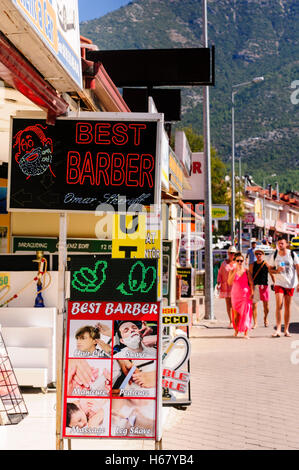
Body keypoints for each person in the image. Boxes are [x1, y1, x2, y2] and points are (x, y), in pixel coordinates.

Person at [268, 237, 299, 337]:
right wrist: (277, 271)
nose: (280, 245)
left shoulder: (292, 255)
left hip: (290, 283)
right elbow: (270, 269)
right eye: (279, 244)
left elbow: (298, 269)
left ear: (286, 244)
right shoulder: (275, 255)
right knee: (279, 305)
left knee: (287, 307)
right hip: (279, 283)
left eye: (282, 243)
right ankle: (278, 329)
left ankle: (286, 329)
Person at [228, 252, 254, 339]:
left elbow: (251, 283)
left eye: (241, 261)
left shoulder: (246, 271)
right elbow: (229, 282)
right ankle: (236, 330)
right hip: (235, 295)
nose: (240, 262)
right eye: (238, 260)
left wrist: (252, 293)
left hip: (245, 295)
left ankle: (246, 332)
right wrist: (235, 271)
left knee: (245, 313)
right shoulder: (232, 271)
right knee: (236, 315)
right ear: (235, 261)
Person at [249, 248, 275, 328]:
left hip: (264, 286)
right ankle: (255, 322)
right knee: (254, 305)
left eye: (260, 254)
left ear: (263, 255)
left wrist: (274, 283)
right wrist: (250, 286)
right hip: (255, 286)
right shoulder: (252, 265)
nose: (258, 255)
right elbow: (250, 276)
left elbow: (271, 274)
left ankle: (265, 318)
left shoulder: (266, 264)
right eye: (257, 254)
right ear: (255, 255)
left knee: (266, 306)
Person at [217, 245, 237, 328]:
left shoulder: (237, 263)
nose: (232, 255)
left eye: (233, 253)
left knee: (234, 304)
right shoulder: (224, 263)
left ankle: (236, 320)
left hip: (235, 286)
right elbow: (220, 273)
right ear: (228, 253)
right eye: (230, 253)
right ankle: (231, 321)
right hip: (226, 286)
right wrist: (218, 282)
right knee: (228, 304)